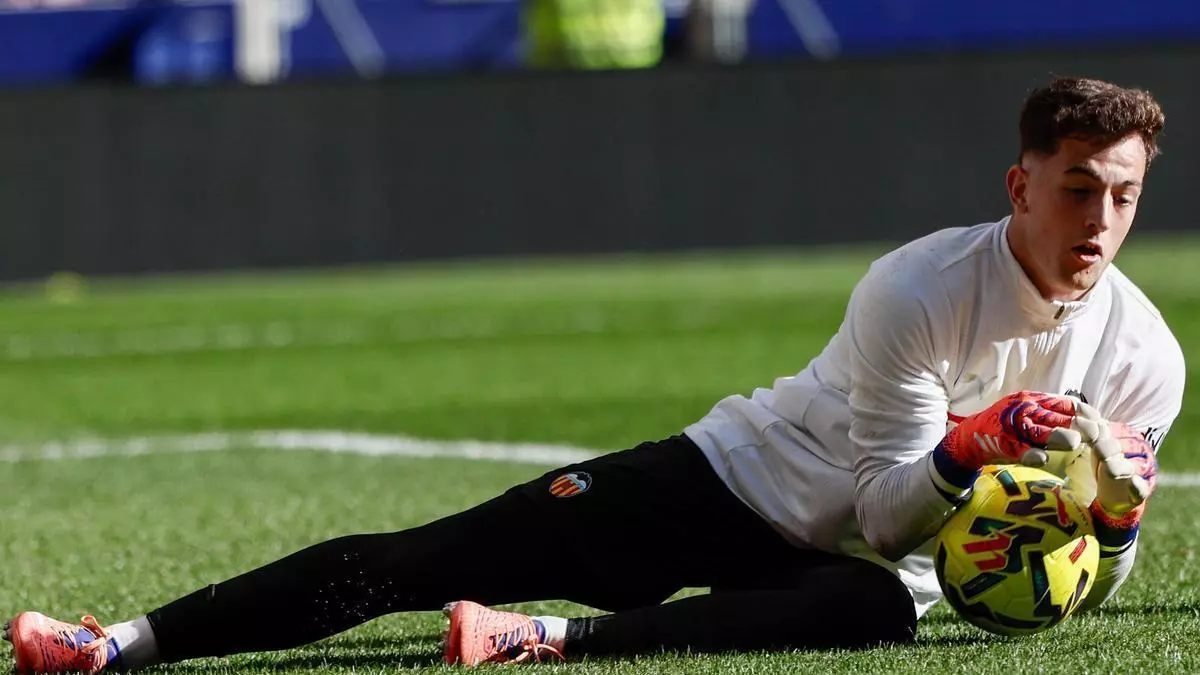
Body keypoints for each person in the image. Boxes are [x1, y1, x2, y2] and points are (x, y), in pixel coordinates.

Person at [4, 75, 1183, 672]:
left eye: (1122, 195)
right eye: (1077, 187)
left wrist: (1121, 524)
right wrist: (971, 445)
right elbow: (886, 506)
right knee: (425, 560)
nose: (1100, 219)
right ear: (1021, 185)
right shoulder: (918, 287)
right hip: (735, 479)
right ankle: (115, 648)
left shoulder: (1146, 357)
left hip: (846, 565)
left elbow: (1071, 581)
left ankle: (545, 642)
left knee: (874, 611)